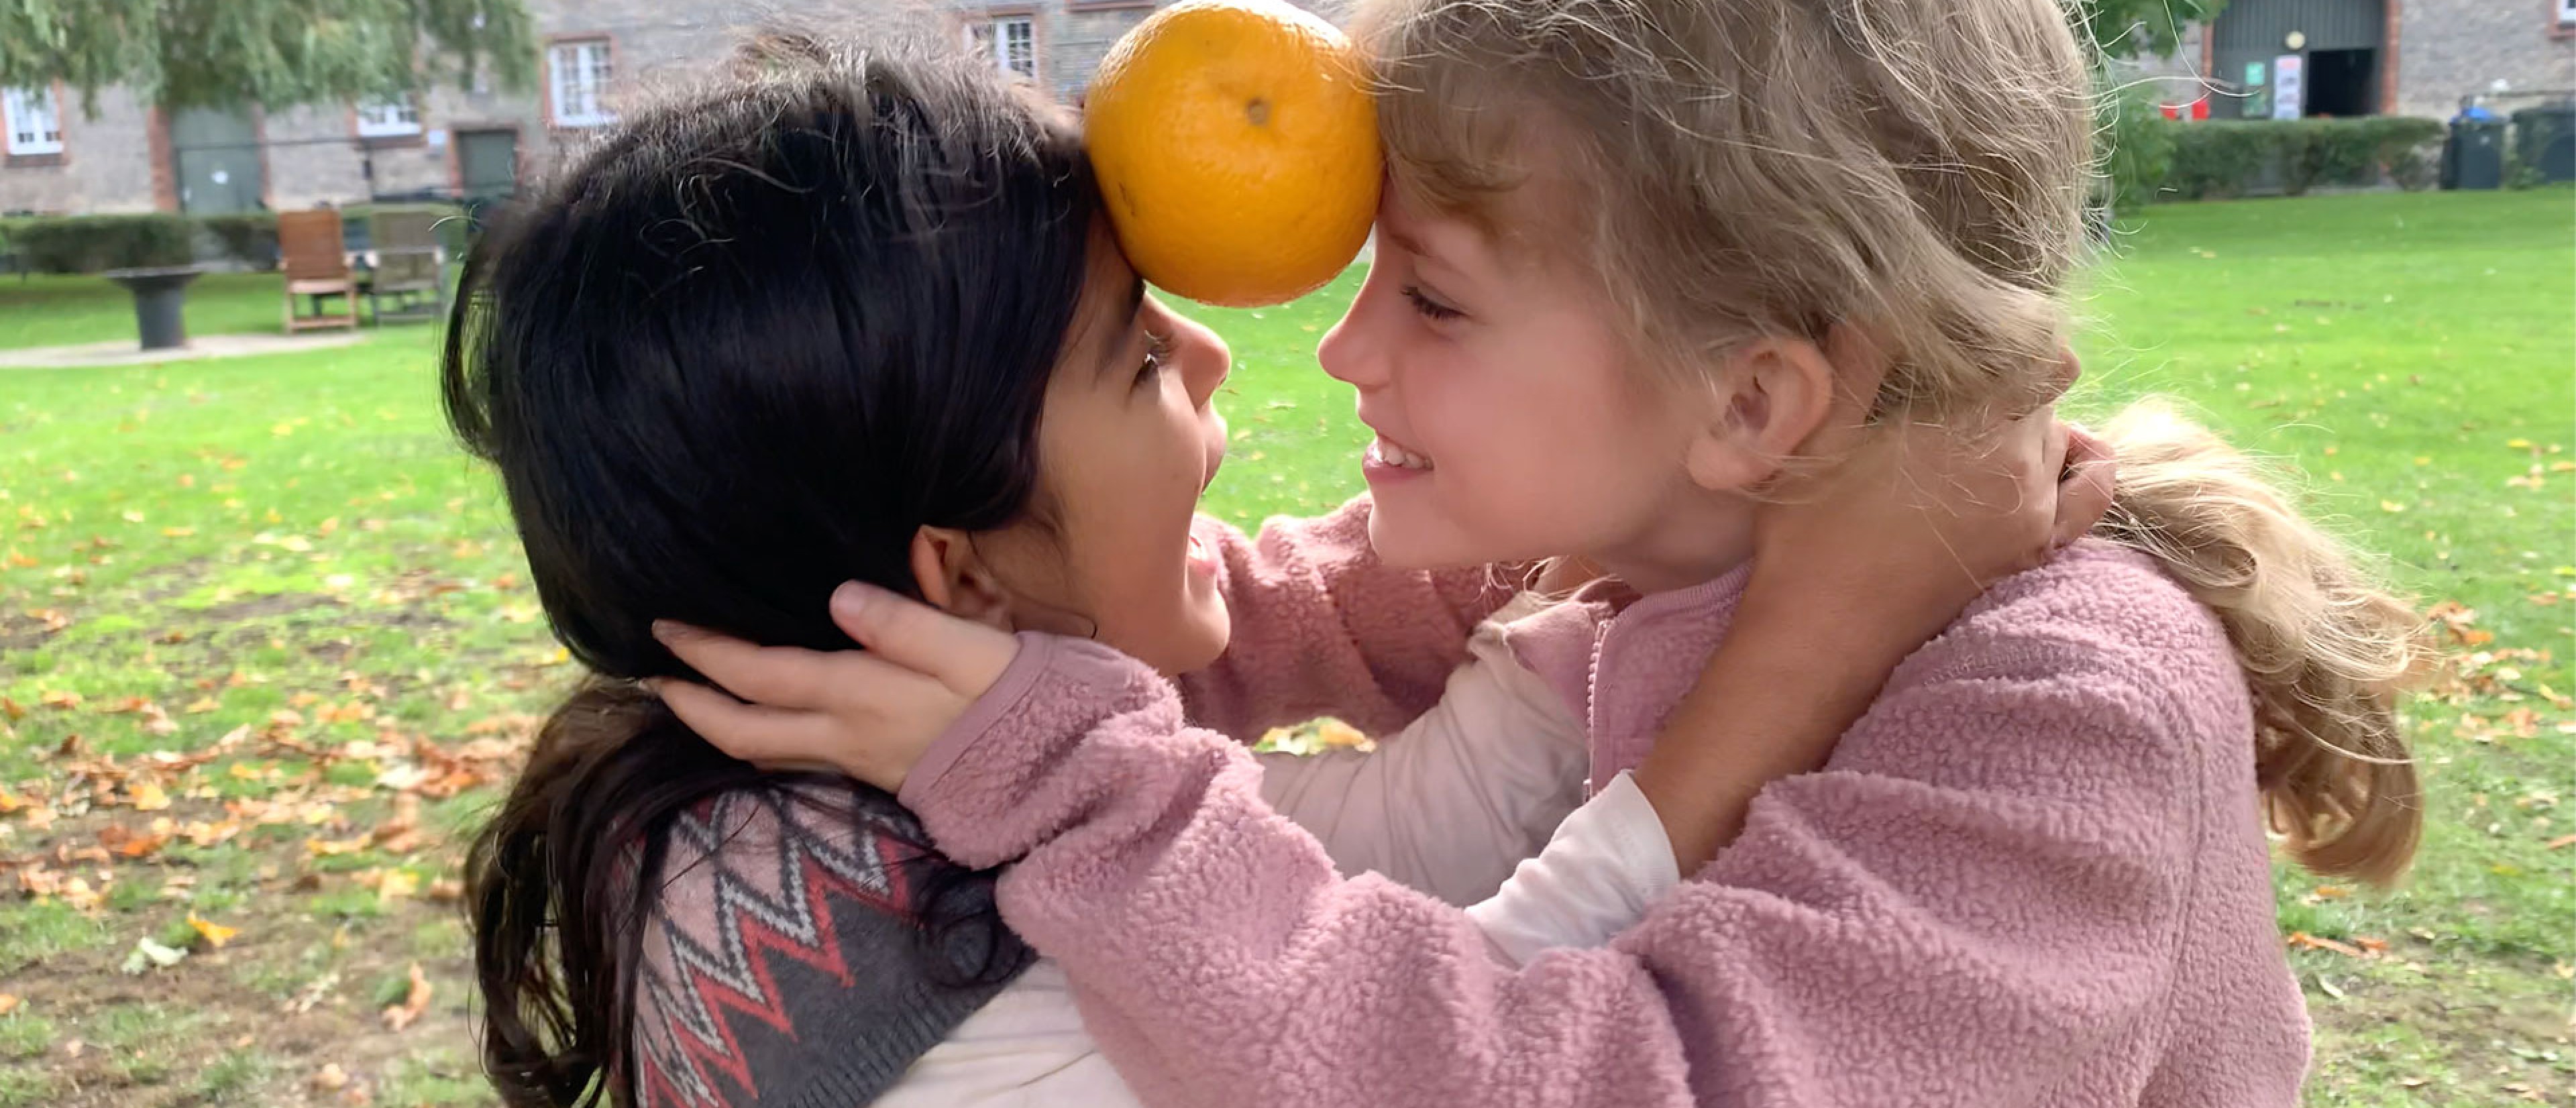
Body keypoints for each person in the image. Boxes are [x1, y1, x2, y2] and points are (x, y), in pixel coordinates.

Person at [665, 0, 2426, 1104]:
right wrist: (898, 597)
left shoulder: (2059, 719)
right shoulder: (1618, 547)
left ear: (1750, 401)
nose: (1346, 353)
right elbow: (1251, 617)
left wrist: (1070, 785)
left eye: (1432, 295)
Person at [449, 36, 2091, 1108]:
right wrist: (1801, 645)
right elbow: (1455, 1037)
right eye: (1134, 360)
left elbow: (1351, 870)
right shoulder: (872, 1007)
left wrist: (1619, 567)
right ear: (957, 573)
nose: (1227, 356)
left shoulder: (838, 788)